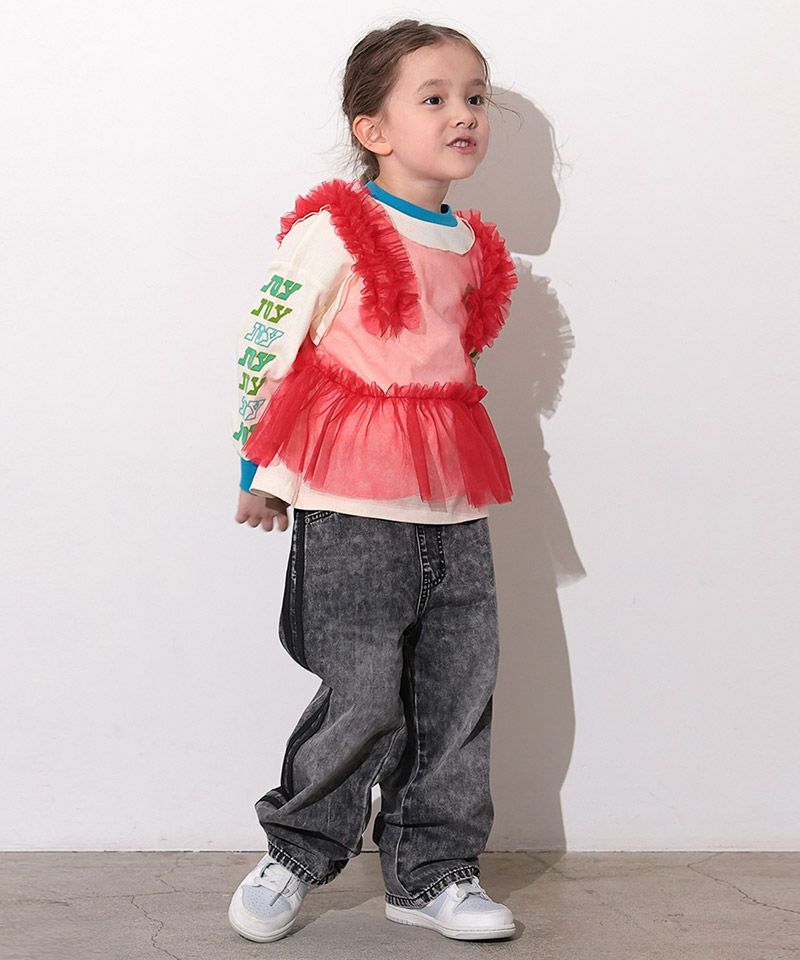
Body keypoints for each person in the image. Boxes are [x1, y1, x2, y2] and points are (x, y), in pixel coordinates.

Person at [227, 19, 519, 943]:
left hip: (453, 502)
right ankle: (297, 851)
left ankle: (431, 873)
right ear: (373, 129)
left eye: (474, 97)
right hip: (351, 505)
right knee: (360, 693)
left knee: (457, 693)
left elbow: (452, 360)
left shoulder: (471, 243)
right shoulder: (335, 231)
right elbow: (268, 347)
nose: (463, 113)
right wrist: (257, 467)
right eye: (434, 98)